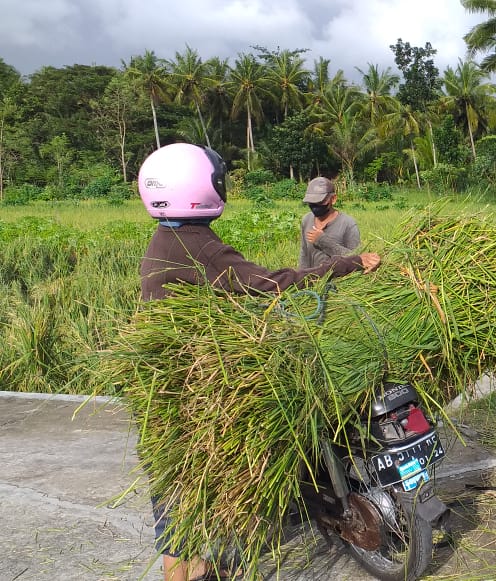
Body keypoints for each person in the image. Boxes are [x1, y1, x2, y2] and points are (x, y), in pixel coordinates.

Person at [136, 142, 380, 580]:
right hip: (187, 383)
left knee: (175, 480)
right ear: (202, 189)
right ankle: (188, 571)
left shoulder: (166, 235)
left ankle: (187, 566)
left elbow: (216, 295)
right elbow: (272, 282)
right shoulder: (199, 244)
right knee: (184, 481)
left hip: (167, 377)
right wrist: (348, 266)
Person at [298, 176, 361, 269]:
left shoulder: (348, 224)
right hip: (313, 280)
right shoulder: (306, 220)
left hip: (337, 281)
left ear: (333, 199)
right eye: (311, 203)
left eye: (320, 202)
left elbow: (357, 260)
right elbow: (304, 255)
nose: (315, 207)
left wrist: (323, 241)